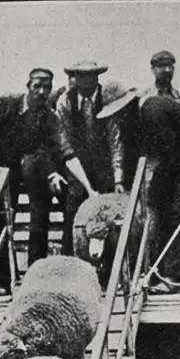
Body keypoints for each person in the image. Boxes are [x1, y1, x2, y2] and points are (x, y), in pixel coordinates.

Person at [0, 68, 64, 294]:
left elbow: (50, 149)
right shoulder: (6, 103)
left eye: (46, 88)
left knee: (31, 212)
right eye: (37, 86)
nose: (41, 92)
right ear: (27, 86)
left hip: (10, 168)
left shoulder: (48, 116)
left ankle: (33, 276)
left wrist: (52, 173)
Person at [135, 95, 180, 291]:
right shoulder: (141, 117)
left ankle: (174, 275)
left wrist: (155, 182)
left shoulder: (152, 113)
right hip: (175, 154)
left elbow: (168, 151)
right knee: (159, 206)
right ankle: (158, 269)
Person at [54, 61, 129, 253]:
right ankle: (71, 258)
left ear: (97, 77)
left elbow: (115, 141)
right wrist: (87, 187)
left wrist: (118, 177)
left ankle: (111, 263)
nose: (87, 82)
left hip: (103, 164)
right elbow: (66, 144)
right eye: (82, 76)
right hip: (76, 165)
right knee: (74, 208)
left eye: (91, 76)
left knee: (108, 212)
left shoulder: (107, 98)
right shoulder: (65, 102)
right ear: (75, 79)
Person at [138, 50, 180, 120]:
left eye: (170, 66)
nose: (167, 70)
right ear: (153, 70)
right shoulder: (144, 96)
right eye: (161, 66)